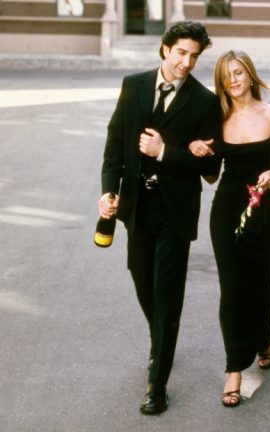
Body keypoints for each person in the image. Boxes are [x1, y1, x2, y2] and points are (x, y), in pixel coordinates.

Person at [97, 21, 221, 415]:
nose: (187, 62)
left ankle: (157, 384)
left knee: (168, 294)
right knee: (141, 278)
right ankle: (161, 338)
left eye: (194, 56)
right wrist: (108, 191)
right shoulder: (134, 85)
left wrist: (165, 152)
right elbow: (115, 144)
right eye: (182, 52)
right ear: (165, 49)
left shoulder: (204, 101)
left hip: (175, 211)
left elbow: (212, 167)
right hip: (137, 206)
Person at [190, 50, 270, 408]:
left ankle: (263, 338)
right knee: (231, 288)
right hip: (227, 209)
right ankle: (234, 370)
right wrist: (199, 150)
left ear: (250, 74)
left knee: (260, 282)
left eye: (238, 72)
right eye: (226, 75)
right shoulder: (217, 118)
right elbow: (211, 175)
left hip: (263, 208)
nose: (233, 79)